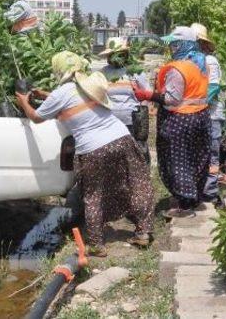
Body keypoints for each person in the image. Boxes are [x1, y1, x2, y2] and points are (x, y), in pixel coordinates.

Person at [16, 52, 154, 256]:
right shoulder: (89, 84)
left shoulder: (60, 94)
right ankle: (143, 232)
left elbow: (36, 117)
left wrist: (23, 101)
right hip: (122, 138)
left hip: (93, 148)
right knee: (137, 184)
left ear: (58, 71)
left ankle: (97, 245)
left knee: (93, 195)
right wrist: (45, 94)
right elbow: (74, 100)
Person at [133, 26, 210, 218]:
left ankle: (184, 205)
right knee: (196, 159)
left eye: (175, 44)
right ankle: (194, 198)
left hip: (180, 119)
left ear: (183, 44)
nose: (172, 48)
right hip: (200, 116)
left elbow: (172, 99)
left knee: (178, 160)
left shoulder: (178, 69)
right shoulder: (200, 64)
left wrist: (148, 95)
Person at [98, 37, 151, 162]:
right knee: (114, 158)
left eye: (119, 54)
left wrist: (142, 113)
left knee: (136, 157)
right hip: (110, 122)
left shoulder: (135, 71)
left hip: (133, 122)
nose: (116, 58)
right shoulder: (103, 73)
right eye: (113, 55)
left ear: (125, 54)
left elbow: (147, 93)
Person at [191, 22, 224, 206]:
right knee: (200, 153)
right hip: (201, 115)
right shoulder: (195, 61)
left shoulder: (210, 61)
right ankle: (200, 190)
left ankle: (209, 193)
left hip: (211, 116)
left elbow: (213, 88)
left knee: (211, 153)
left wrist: (198, 106)